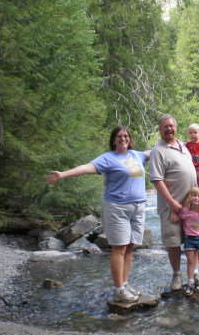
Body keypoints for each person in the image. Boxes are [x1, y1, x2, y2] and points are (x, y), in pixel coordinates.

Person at [46, 126, 150, 302]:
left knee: (131, 247)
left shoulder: (137, 155)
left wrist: (178, 143)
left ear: (130, 139)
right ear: (114, 140)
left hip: (138, 208)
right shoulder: (108, 158)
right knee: (120, 248)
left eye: (126, 136)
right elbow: (87, 167)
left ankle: (125, 285)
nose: (123, 138)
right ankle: (118, 290)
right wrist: (63, 175)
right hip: (117, 208)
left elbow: (155, 151)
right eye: (119, 136)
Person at [149, 114, 199, 291]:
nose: (168, 129)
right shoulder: (158, 150)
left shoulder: (183, 146)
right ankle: (176, 275)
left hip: (191, 206)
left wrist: (198, 175)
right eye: (165, 127)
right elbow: (157, 180)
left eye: (171, 126)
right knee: (173, 242)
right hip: (171, 206)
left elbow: (188, 169)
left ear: (176, 127)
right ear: (160, 129)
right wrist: (171, 202)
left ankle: (193, 272)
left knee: (193, 239)